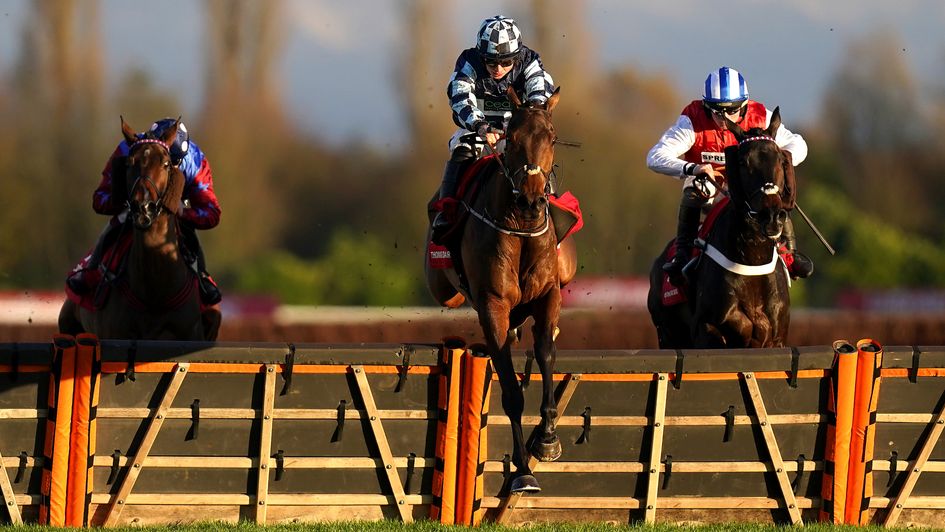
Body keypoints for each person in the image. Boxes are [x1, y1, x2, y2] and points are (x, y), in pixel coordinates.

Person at [646, 66, 813, 284]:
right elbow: (655, 157)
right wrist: (693, 168)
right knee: (696, 188)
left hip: (746, 188)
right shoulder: (691, 121)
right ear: (707, 106)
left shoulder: (761, 116)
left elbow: (798, 144)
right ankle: (682, 254)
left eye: (732, 110)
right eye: (717, 111)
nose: (724, 119)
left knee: (772, 190)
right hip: (711, 186)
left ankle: (789, 254)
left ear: (744, 105)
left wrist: (779, 159)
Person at [67, 118, 223, 305]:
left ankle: (204, 279)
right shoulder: (127, 149)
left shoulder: (196, 161)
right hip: (135, 204)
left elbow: (212, 213)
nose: (172, 168)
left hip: (175, 207)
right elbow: (99, 200)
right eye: (165, 161)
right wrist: (126, 200)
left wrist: (183, 212)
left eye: (176, 162)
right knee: (119, 221)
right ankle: (90, 271)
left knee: (188, 231)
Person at [431, 15, 555, 241]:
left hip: (516, 131)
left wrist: (531, 117)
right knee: (462, 149)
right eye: (491, 62)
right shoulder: (468, 63)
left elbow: (540, 91)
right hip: (476, 129)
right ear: (481, 56)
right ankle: (447, 209)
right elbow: (459, 96)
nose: (498, 68)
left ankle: (552, 205)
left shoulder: (530, 61)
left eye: (506, 62)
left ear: (516, 58)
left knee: (538, 149)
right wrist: (480, 126)